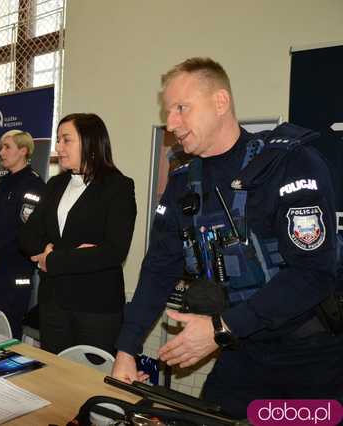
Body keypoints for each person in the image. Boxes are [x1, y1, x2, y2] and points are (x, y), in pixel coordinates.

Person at [112, 57, 343, 418]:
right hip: (243, 352)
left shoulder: (291, 164)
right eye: (168, 111)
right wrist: (126, 349)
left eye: (181, 108)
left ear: (220, 103)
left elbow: (313, 274)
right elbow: (159, 268)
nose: (171, 124)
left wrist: (220, 328)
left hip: (312, 360)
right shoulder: (182, 182)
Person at [20, 113, 136, 355]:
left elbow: (113, 251)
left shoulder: (118, 187)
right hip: (53, 305)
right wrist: (73, 253)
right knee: (56, 381)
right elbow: (28, 236)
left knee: (90, 384)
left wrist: (52, 258)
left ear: (90, 142)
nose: (58, 147)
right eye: (58, 140)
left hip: (95, 309)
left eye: (66, 140)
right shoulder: (55, 185)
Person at [0, 130, 46, 339]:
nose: (1, 153)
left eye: (7, 147)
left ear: (23, 150)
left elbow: (24, 233)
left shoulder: (33, 185)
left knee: (8, 334)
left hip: (15, 273)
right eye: (0, 148)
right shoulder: (4, 183)